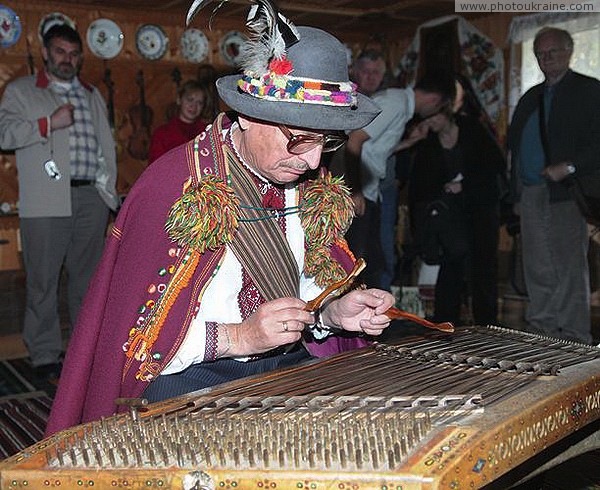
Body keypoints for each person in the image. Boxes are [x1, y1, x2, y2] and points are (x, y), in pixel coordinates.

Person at [45, 3, 395, 436]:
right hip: (187, 378)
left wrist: (332, 313)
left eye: (328, 142)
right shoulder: (173, 186)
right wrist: (240, 338)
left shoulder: (304, 182)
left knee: (366, 420)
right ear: (248, 115)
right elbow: (134, 345)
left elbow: (300, 291)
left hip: (281, 365)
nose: (311, 160)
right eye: (301, 139)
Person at [0, 24, 118, 383]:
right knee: (42, 281)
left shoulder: (91, 93)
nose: (66, 58)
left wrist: (107, 192)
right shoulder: (22, 91)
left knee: (87, 282)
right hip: (46, 197)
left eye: (72, 53)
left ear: (79, 57)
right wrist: (46, 123)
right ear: (46, 53)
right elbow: (3, 134)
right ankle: (45, 354)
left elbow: (105, 145)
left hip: (91, 197)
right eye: (60, 51)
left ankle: (82, 353)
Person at [507, 27, 600, 343]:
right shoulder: (531, 97)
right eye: (540, 54)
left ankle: (575, 336)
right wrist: (516, 192)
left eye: (552, 52)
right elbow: (514, 149)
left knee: (569, 266)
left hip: (567, 193)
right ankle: (543, 331)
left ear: (569, 52)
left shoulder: (589, 91)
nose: (546, 59)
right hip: (532, 193)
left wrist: (571, 166)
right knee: (537, 266)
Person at [339, 54, 455, 290]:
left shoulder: (400, 103)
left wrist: (407, 143)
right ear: (434, 99)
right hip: (361, 191)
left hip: (371, 191)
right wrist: (356, 190)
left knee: (374, 261)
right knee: (358, 264)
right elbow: (354, 140)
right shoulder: (396, 103)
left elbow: (373, 148)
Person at [405, 103, 506, 325]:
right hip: (449, 218)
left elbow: (493, 169)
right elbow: (419, 184)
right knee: (451, 268)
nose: (430, 122)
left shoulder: (472, 129)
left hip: (480, 210)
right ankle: (446, 325)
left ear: (446, 112)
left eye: (434, 116)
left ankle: (486, 325)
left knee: (483, 268)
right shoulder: (427, 142)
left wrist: (465, 187)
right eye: (426, 118)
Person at [148, 79, 209, 164]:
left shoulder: (208, 133)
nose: (194, 106)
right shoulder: (162, 134)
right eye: (190, 100)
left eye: (199, 103)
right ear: (179, 100)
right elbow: (155, 169)